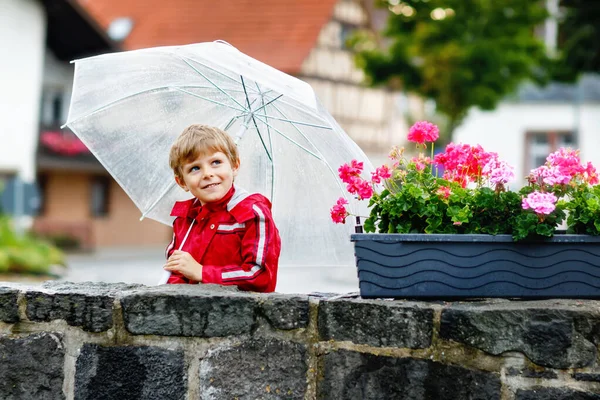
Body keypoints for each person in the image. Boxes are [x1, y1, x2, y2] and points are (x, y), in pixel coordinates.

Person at [163, 124, 280, 292]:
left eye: (216, 162)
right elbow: (176, 272)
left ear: (234, 166)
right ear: (182, 181)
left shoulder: (252, 213)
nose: (207, 173)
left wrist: (203, 272)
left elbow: (260, 275)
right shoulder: (185, 220)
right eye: (195, 168)